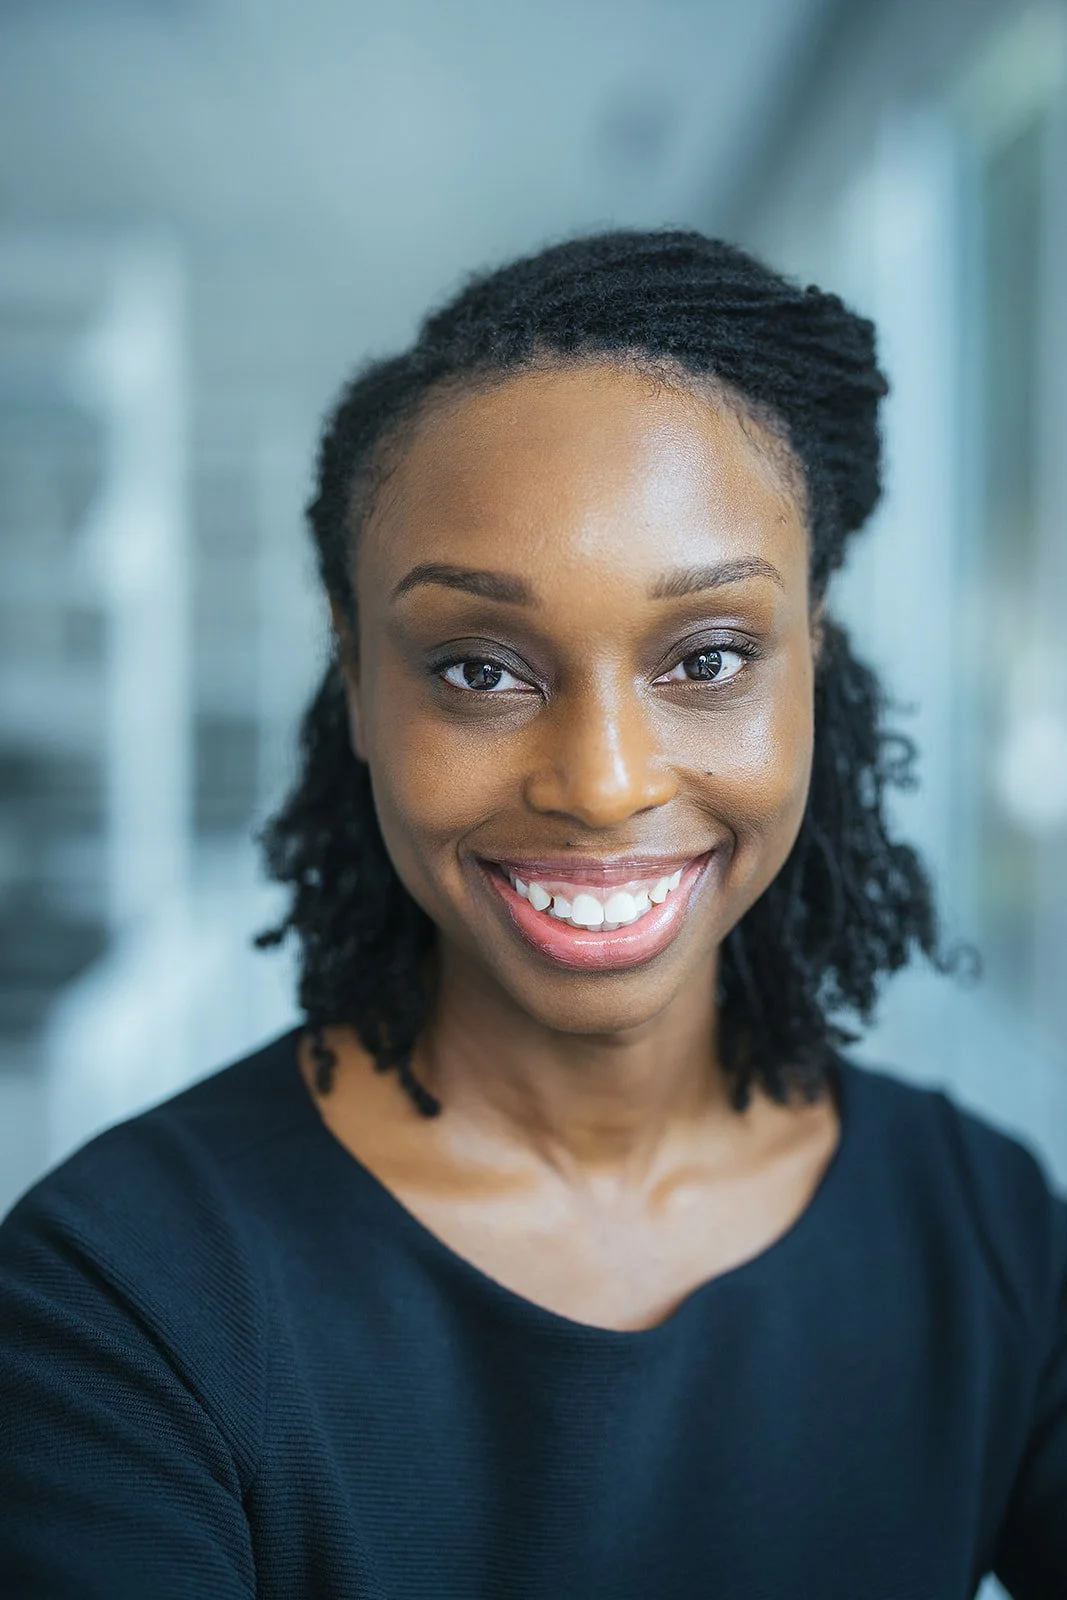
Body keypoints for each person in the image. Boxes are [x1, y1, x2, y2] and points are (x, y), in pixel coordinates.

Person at [0, 229, 1063, 1600]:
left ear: (814, 659)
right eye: (479, 669)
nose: (602, 784)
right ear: (357, 679)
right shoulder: (120, 1297)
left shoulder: (979, 1230)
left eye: (709, 658)